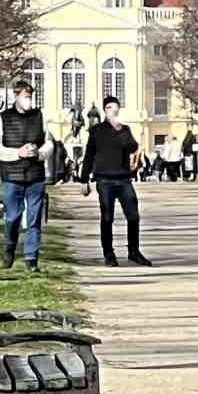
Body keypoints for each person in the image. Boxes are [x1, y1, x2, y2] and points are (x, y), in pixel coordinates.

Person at [80, 96, 153, 267]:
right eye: (111, 108)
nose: (115, 111)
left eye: (117, 108)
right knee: (107, 217)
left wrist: (120, 131)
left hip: (123, 179)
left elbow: (133, 147)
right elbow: (89, 155)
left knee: (133, 216)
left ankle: (133, 251)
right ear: (105, 110)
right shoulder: (97, 130)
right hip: (104, 179)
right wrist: (84, 179)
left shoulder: (124, 129)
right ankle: (109, 253)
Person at [0, 81, 53, 270]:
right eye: (25, 96)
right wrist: (17, 153)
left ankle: (31, 258)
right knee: (12, 217)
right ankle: (9, 249)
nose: (28, 100)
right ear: (16, 96)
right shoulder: (3, 119)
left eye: (30, 96)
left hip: (35, 175)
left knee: (34, 219)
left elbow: (49, 143)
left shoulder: (40, 116)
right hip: (12, 176)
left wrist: (39, 153)